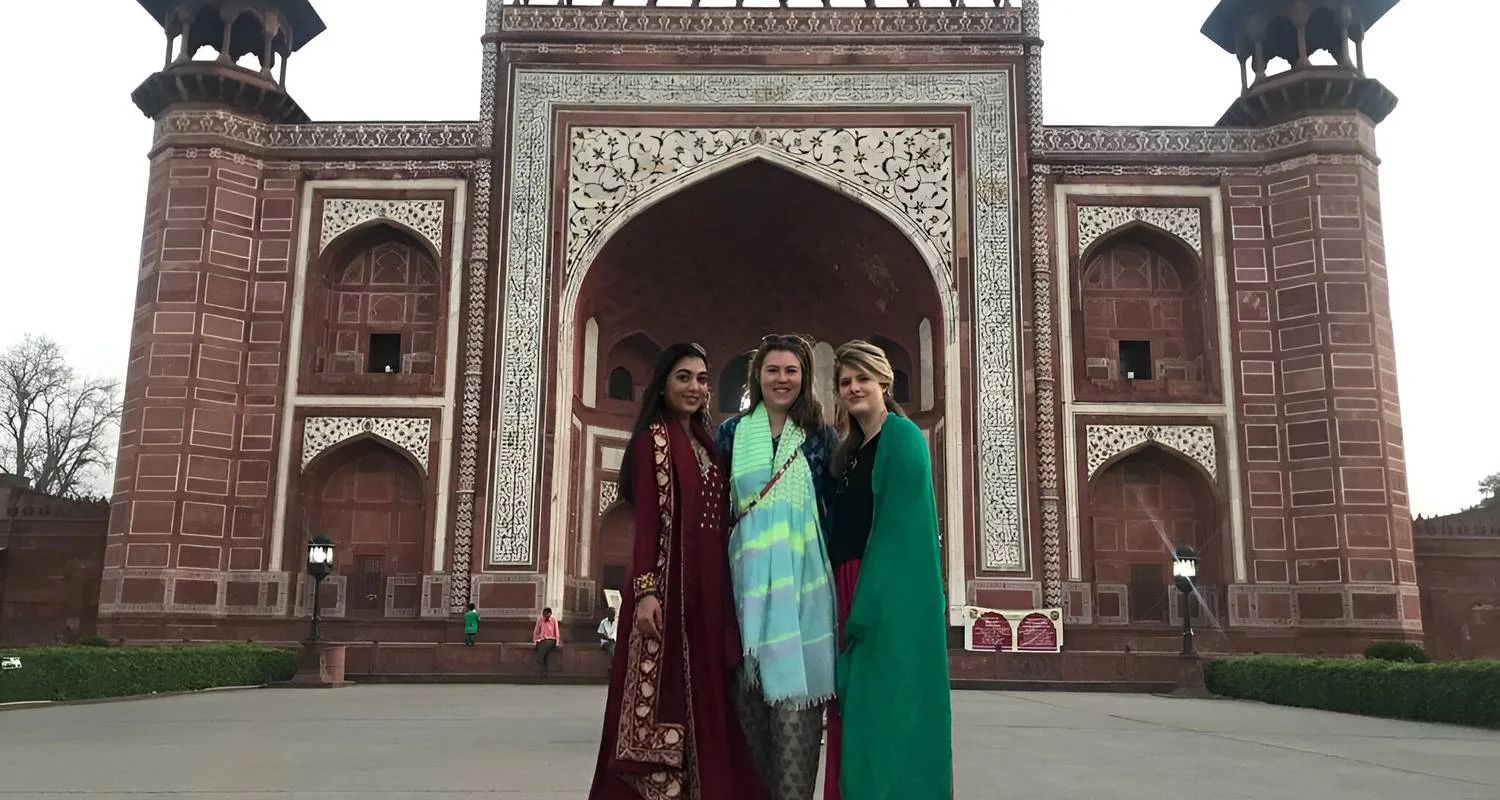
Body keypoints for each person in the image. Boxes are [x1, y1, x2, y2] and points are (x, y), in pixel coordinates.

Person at [587, 342, 764, 800]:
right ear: (663, 385)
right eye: (683, 377)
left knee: (706, 700)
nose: (695, 387)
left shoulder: (706, 443)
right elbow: (648, 520)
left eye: (702, 379)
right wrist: (646, 591)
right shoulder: (653, 440)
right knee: (665, 703)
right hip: (667, 593)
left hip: (707, 595)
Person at [823, 339, 953, 800]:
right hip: (848, 583)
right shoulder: (849, 451)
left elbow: (901, 530)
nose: (854, 388)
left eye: (862, 378)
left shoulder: (902, 438)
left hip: (884, 592)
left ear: (884, 382)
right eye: (845, 382)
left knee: (886, 704)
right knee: (853, 705)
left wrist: (869, 601)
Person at [716, 334, 839, 800]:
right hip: (743, 601)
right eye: (773, 370)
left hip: (802, 602)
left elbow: (834, 513)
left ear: (804, 378)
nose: (782, 379)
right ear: (758, 376)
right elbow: (717, 514)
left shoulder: (820, 436)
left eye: (791, 371)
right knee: (750, 751)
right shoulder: (731, 434)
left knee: (795, 741)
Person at [533, 607, 561, 677]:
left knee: (543, 647)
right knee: (543, 651)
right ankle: (544, 671)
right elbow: (536, 630)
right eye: (543, 614)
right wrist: (535, 640)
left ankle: (540, 661)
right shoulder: (540, 619)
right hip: (542, 639)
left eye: (546, 614)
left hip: (551, 640)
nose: (544, 616)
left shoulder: (553, 619)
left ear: (550, 614)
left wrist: (557, 642)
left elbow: (556, 631)